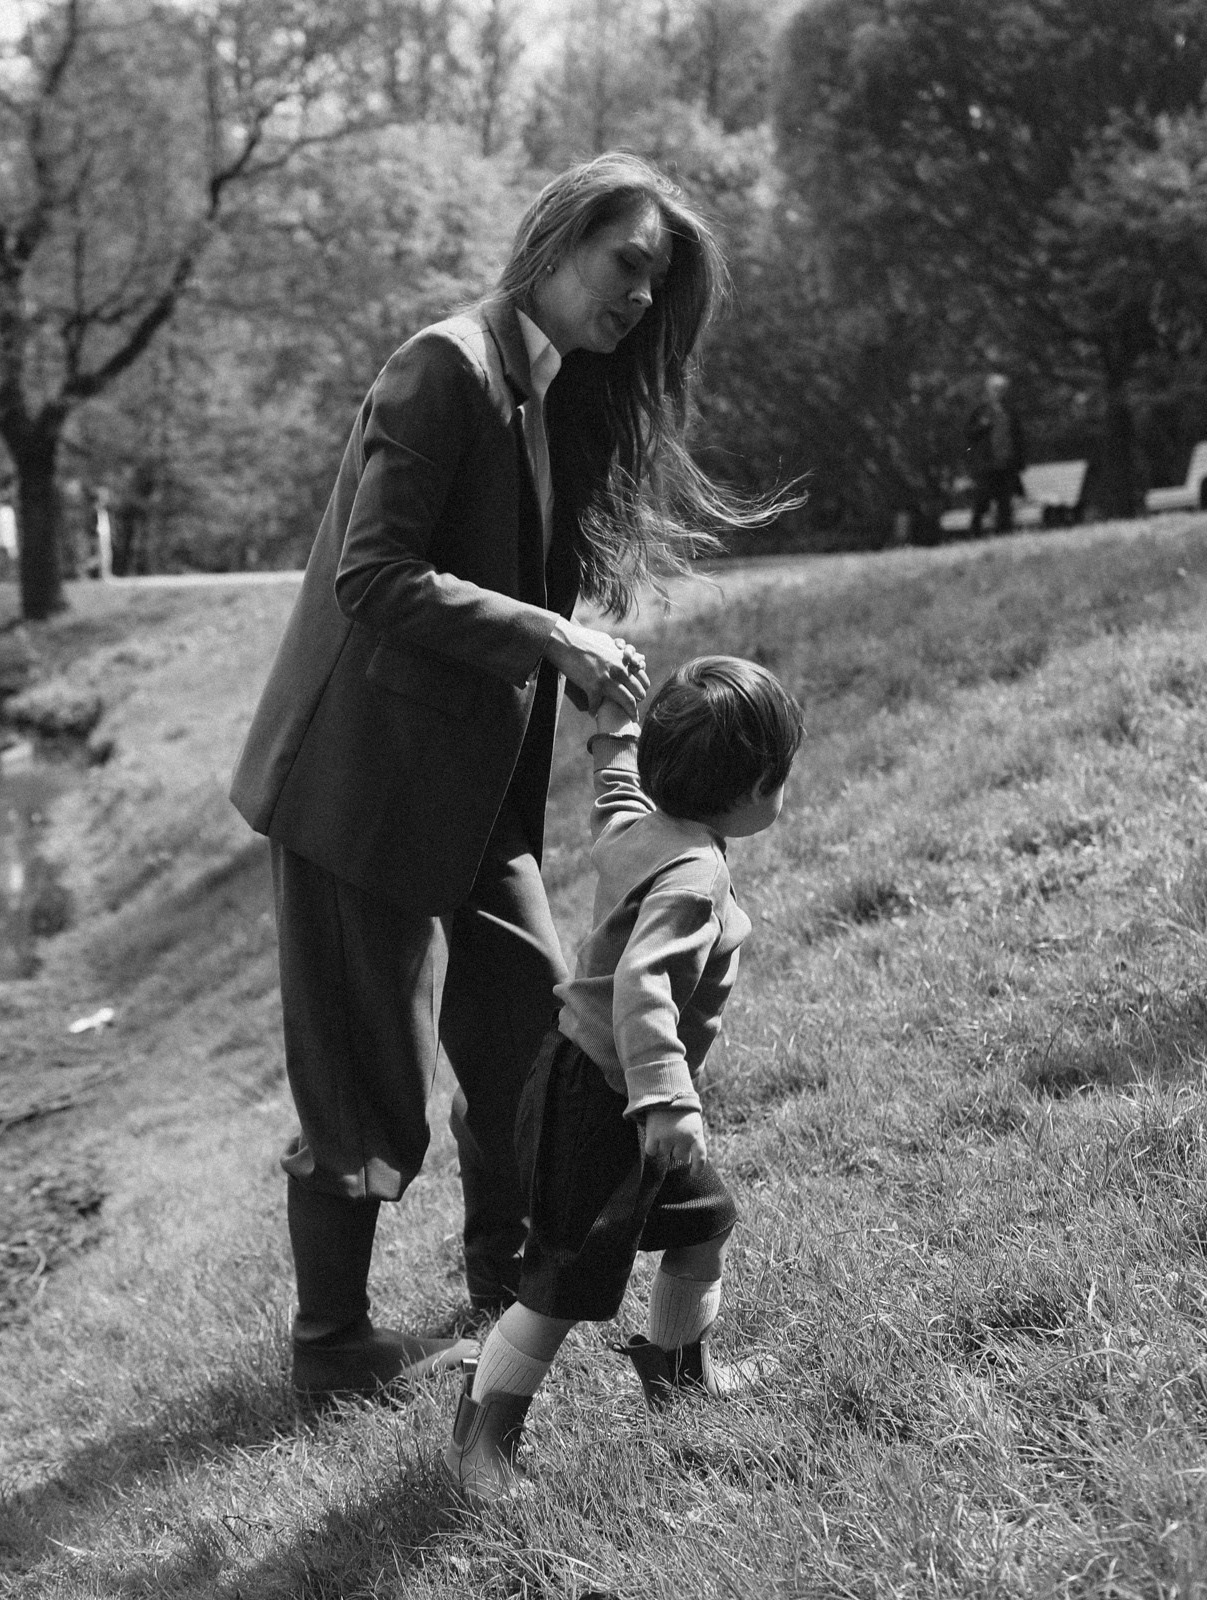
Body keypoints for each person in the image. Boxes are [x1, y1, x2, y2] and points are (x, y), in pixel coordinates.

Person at [229, 154, 790, 1400]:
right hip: (354, 786)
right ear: (553, 241)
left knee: (538, 1034)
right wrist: (551, 635)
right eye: (627, 263)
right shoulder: (445, 368)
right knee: (366, 1077)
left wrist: (576, 667)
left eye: (660, 283)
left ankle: (502, 1276)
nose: (642, 299)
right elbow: (369, 578)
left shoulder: (550, 386)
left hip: (478, 800)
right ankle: (331, 1346)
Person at [448, 655, 802, 1499]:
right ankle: (479, 1442)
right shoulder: (694, 873)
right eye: (782, 773)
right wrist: (668, 1100)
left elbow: (614, 789)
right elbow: (645, 982)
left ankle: (678, 1377)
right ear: (753, 785)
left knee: (703, 1222)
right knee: (561, 1284)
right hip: (606, 1102)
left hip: (599, 1086)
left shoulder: (644, 826)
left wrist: (612, 724)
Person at [962, 373, 1027, 535]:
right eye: (996, 389)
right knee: (982, 500)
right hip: (986, 464)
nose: (1000, 392)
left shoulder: (1010, 411)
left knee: (1005, 501)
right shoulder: (980, 410)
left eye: (1003, 389)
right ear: (989, 390)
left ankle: (1004, 533)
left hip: (1006, 462)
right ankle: (975, 532)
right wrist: (982, 426)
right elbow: (968, 435)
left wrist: (1020, 461)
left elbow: (1018, 437)